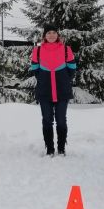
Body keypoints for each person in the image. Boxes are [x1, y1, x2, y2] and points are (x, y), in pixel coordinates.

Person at [30, 25, 77, 156]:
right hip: (44, 91)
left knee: (61, 120)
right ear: (44, 35)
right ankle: (50, 148)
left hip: (62, 91)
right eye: (48, 33)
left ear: (58, 35)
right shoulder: (37, 50)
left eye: (54, 33)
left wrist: (62, 79)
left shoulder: (66, 49)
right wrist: (46, 79)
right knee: (47, 120)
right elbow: (35, 69)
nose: (51, 35)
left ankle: (61, 148)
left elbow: (72, 68)